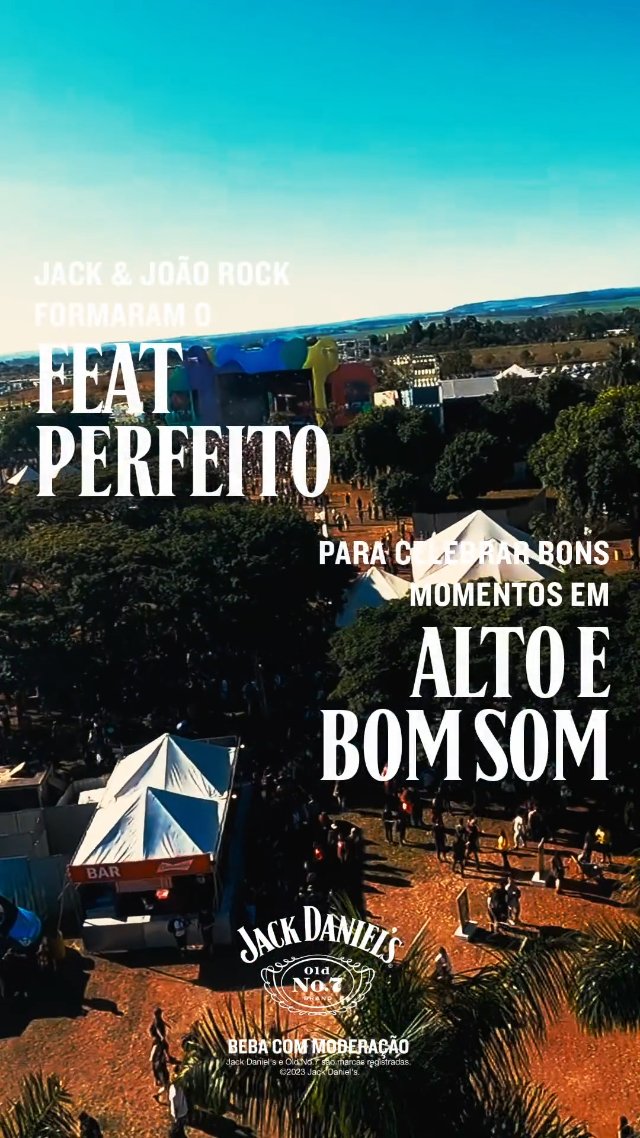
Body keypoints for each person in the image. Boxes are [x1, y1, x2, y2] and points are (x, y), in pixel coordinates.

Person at [168, 1069, 189, 1136]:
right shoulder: (177, 1088)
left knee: (179, 1130)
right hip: (182, 1113)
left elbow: (174, 1106)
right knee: (180, 1130)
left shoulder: (174, 1089)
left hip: (180, 1114)